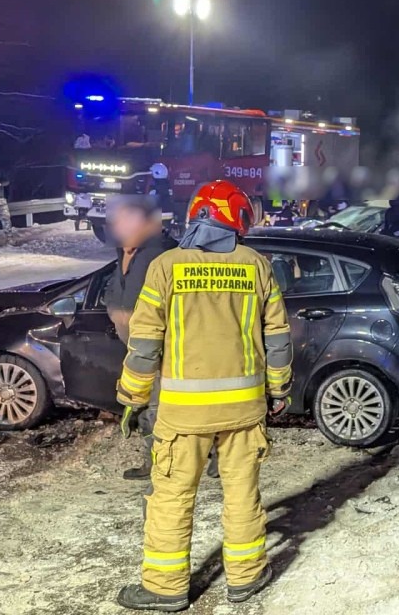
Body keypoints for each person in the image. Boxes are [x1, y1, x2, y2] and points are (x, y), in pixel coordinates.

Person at [114, 180, 292, 611]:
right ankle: (247, 577)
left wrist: (132, 395)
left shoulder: (166, 266)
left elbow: (145, 343)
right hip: (245, 410)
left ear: (196, 214)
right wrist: (279, 389)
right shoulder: (256, 265)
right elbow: (279, 337)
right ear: (236, 218)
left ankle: (165, 587)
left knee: (172, 497)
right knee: (241, 491)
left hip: (183, 415)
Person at [103, 196, 177, 480]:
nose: (118, 227)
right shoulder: (124, 253)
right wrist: (115, 310)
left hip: (159, 346)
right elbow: (113, 288)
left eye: (125, 221)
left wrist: (134, 315)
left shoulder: (161, 253)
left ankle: (159, 465)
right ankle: (159, 460)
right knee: (146, 403)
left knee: (158, 406)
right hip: (135, 346)